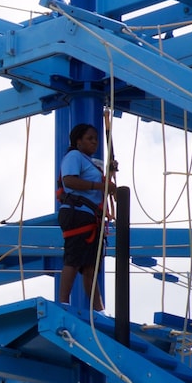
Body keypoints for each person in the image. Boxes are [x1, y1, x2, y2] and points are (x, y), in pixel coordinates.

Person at [58, 123, 117, 311]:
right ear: (78, 141)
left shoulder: (90, 163)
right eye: (90, 138)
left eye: (96, 139)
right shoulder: (74, 156)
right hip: (78, 214)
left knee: (90, 267)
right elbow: (69, 180)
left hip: (91, 216)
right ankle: (63, 304)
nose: (95, 142)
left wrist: (109, 175)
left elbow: (99, 183)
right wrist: (100, 186)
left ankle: (98, 310)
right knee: (74, 260)